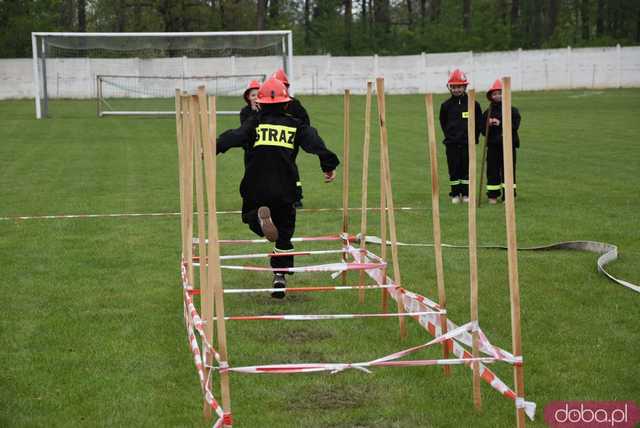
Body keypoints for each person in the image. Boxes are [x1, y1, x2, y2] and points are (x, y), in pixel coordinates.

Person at [216, 77, 340, 298]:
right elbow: (314, 141)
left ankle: (259, 221)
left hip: (256, 186)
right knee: (284, 232)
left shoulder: (253, 124)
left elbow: (234, 136)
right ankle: (280, 275)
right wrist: (328, 164)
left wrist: (211, 147)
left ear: (260, 104)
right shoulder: (295, 125)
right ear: (286, 104)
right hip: (285, 188)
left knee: (249, 216)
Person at [439, 68, 483, 204]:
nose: (457, 90)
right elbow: (443, 123)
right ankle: (455, 194)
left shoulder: (473, 104)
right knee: (454, 169)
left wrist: (473, 138)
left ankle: (466, 193)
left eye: (459, 87)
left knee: (466, 169)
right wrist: (451, 137)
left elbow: (478, 122)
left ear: (465, 87)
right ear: (450, 88)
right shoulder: (445, 105)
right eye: (454, 87)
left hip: (467, 143)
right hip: (452, 144)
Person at [481, 79, 522, 204]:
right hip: (493, 146)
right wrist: (488, 124)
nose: (497, 96)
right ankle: (492, 195)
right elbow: (482, 130)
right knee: (492, 170)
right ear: (491, 96)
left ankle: (509, 195)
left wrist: (500, 124)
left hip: (508, 145)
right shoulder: (488, 112)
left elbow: (515, 125)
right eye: (495, 94)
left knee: (508, 170)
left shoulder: (512, 110)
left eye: (500, 93)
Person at [272, 68, 308, 208]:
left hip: (290, 143)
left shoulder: (294, 104)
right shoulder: (267, 103)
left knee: (289, 166)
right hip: (272, 141)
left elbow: (305, 123)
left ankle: (296, 196)